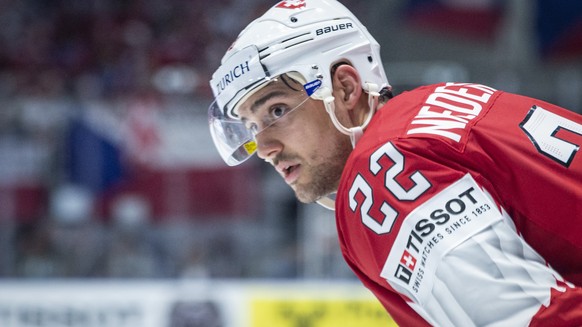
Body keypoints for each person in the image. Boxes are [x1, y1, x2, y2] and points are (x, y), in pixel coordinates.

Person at [207, 0, 582, 325]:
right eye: (252, 127)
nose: (265, 146)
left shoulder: (383, 169)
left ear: (345, 88)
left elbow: (533, 321)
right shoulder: (437, 104)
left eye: (276, 110)